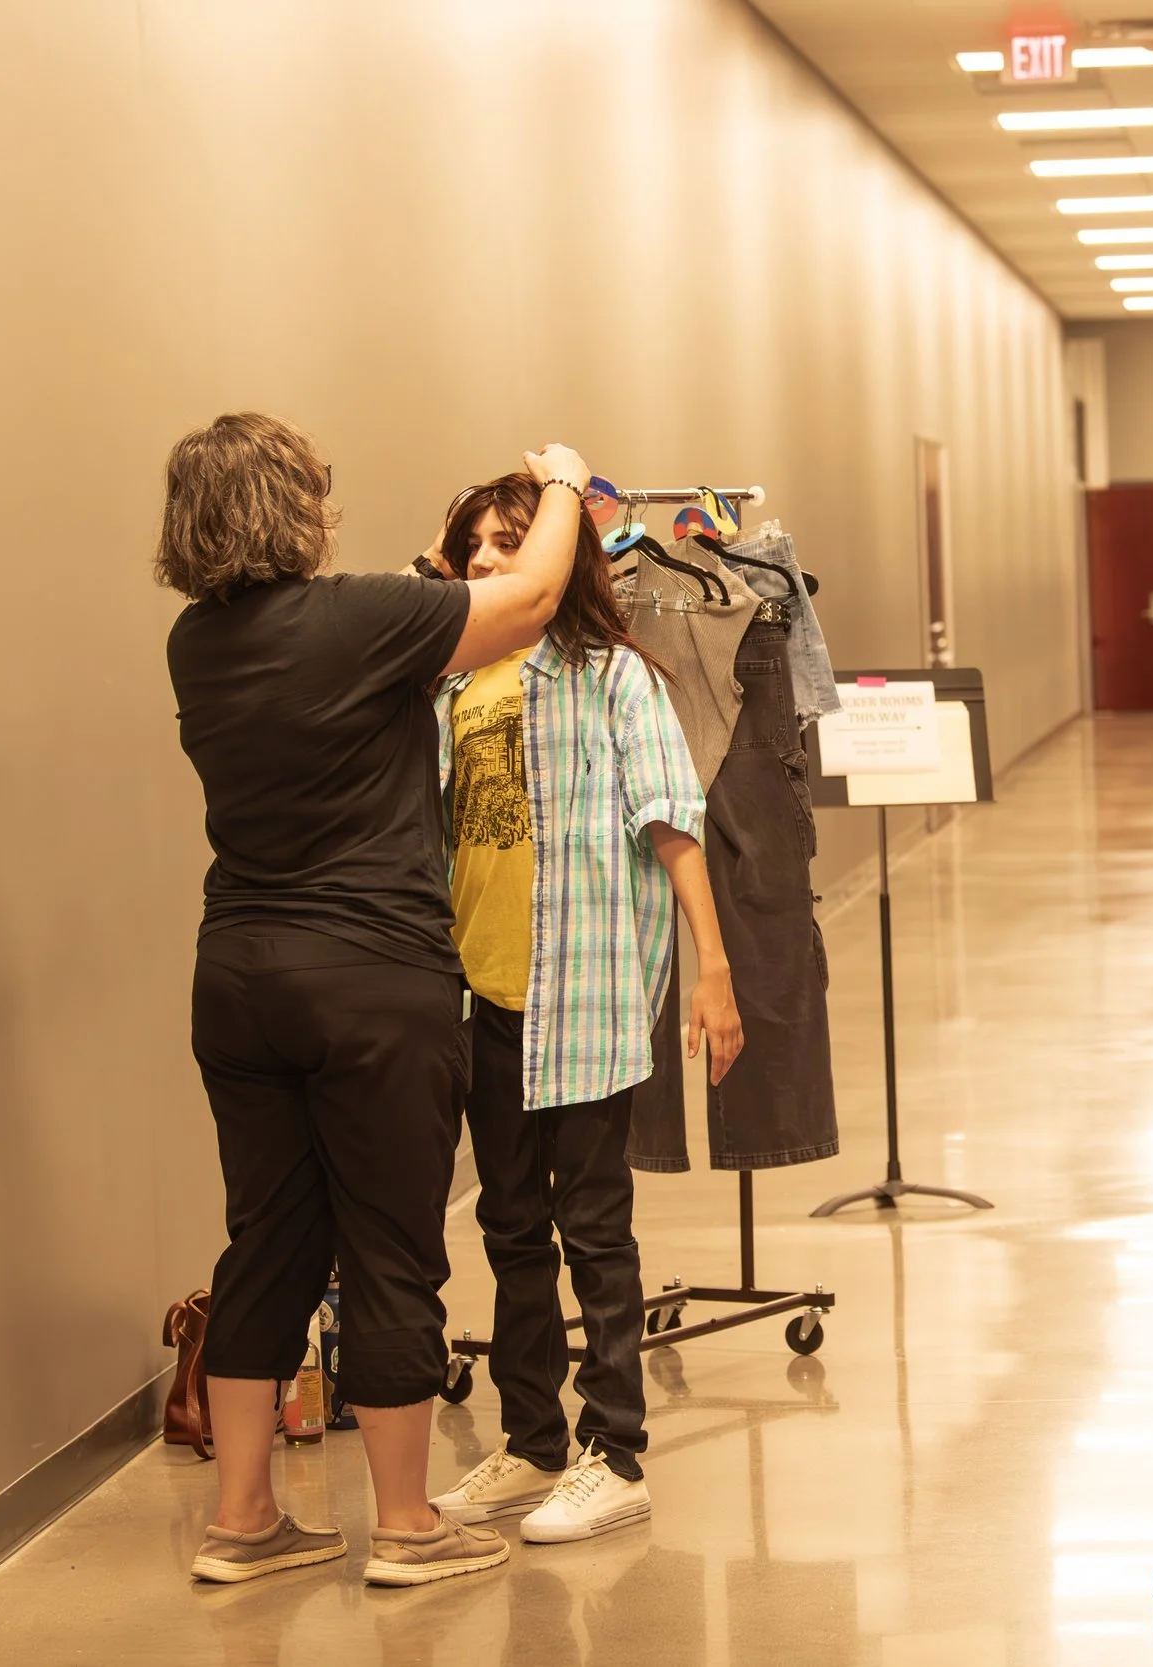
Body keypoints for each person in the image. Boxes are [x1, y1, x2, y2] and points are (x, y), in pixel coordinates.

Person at [160, 412, 595, 1589]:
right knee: (392, 1243)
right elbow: (536, 596)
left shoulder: (194, 642)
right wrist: (561, 482)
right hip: (371, 984)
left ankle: (243, 1519)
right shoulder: (359, 616)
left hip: (239, 977)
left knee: (268, 1243)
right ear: (292, 506)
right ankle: (406, 1521)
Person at [424, 476, 745, 1542]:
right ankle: (530, 1442)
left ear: (557, 558)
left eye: (506, 545)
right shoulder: (451, 684)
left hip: (588, 988)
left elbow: (672, 821)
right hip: (487, 993)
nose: (480, 564)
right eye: (470, 547)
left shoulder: (610, 676)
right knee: (509, 1226)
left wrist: (714, 967)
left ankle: (617, 1451)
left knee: (593, 1229)